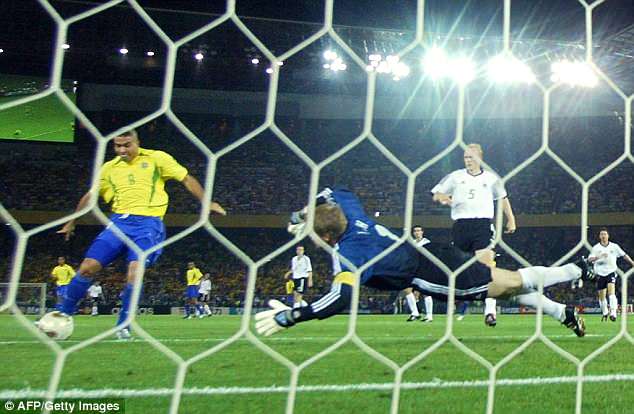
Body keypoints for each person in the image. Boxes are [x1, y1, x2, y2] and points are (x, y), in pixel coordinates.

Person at [255, 188, 588, 337]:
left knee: (510, 281)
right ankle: (563, 312)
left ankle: (577, 270)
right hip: (428, 254)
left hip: (431, 273)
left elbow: (340, 298)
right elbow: (334, 190)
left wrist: (292, 316)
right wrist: (303, 212)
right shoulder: (349, 211)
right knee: (505, 290)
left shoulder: (350, 254)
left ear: (326, 239)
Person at [54, 129, 226, 339]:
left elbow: (186, 179)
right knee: (87, 267)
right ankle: (62, 315)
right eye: (117, 146)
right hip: (118, 223)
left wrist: (207, 202)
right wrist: (73, 220)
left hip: (148, 225)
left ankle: (124, 325)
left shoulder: (156, 158)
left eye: (127, 145)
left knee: (135, 270)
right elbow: (91, 195)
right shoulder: (108, 168)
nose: (122, 150)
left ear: (137, 143)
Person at [431, 143, 516, 327]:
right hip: (461, 226)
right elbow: (436, 193)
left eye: (471, 157)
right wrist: (443, 198)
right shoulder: (455, 177)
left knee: (486, 267)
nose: (468, 160)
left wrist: (511, 219)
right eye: (466, 157)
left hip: (482, 226)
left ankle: (490, 312)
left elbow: (502, 198)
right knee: (457, 269)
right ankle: (454, 306)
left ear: (480, 158)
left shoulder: (491, 178)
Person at [588, 228, 634, 321]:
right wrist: (598, 257)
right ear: (599, 236)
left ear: (608, 236)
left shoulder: (614, 246)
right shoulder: (596, 248)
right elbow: (590, 259)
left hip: (611, 272)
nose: (603, 236)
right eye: (601, 234)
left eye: (605, 234)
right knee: (602, 296)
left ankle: (613, 313)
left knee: (611, 292)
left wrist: (632, 262)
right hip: (600, 274)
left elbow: (624, 255)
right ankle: (605, 312)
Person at [402, 225, 434, 322]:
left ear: (422, 232)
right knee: (407, 290)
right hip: (413, 269)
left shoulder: (427, 243)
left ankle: (429, 316)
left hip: (424, 269)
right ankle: (415, 313)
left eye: (419, 230)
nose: (417, 232)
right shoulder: (412, 243)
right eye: (415, 231)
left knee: (425, 292)